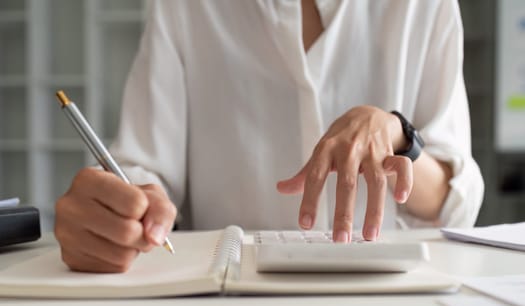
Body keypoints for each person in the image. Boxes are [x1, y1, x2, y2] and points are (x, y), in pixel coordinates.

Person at [55, 0, 484, 273]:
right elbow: (142, 167)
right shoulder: (185, 8)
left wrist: (398, 135)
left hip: (391, 303)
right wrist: (117, 210)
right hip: (223, 302)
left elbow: (455, 204)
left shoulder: (424, 7)